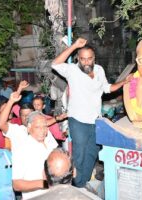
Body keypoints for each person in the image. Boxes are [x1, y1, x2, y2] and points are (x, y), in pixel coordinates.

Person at [51, 38, 131, 187]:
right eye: (83, 59)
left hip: (96, 120)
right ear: (78, 58)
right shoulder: (72, 70)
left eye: (90, 58)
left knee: (93, 153)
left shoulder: (99, 69)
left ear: (94, 58)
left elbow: (107, 88)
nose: (86, 62)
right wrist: (74, 46)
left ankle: (83, 182)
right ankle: (75, 184)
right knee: (79, 154)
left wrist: (124, 82)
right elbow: (54, 64)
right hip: (78, 120)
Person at [0, 91, 58, 199]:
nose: (26, 117)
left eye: (44, 126)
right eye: (24, 115)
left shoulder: (47, 136)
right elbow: (17, 184)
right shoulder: (20, 139)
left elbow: (57, 156)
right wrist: (45, 183)